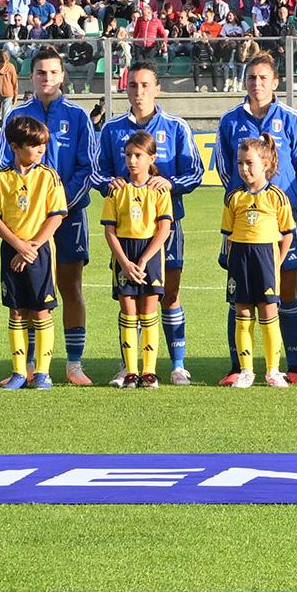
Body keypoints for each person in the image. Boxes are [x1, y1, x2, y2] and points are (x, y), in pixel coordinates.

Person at [96, 59, 209, 386]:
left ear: (157, 89)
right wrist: (110, 183)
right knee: (128, 297)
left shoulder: (176, 127)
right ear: (126, 89)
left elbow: (197, 171)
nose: (139, 91)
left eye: (146, 85)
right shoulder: (112, 129)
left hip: (165, 227)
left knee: (169, 294)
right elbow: (96, 171)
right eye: (133, 85)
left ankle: (177, 364)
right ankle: (128, 365)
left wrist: (171, 183)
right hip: (127, 230)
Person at [211, 52, 297, 386]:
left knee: (287, 291)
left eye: (263, 77)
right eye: (251, 77)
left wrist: (282, 207)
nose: (257, 83)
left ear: (275, 81)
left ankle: (292, 366)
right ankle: (238, 366)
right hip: (243, 225)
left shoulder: (294, 119)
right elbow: (224, 167)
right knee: (239, 294)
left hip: (281, 221)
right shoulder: (230, 121)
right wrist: (244, 200)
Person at [11, 50, 100, 385]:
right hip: (27, 222)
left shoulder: (77, 117)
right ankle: (31, 365)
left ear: (62, 76)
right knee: (31, 290)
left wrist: (60, 207)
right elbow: (7, 168)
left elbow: (86, 167)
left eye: (52, 72)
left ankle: (74, 364)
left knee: (70, 285)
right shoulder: (17, 115)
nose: (46, 78)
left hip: (70, 215)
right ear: (31, 77)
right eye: (40, 73)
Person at [0, 112, 68, 388]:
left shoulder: (49, 177)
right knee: (17, 311)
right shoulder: (2, 179)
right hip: (12, 250)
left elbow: (56, 216)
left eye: (43, 146)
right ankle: (20, 372)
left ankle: (43, 373)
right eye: (34, 146)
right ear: (15, 146)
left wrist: (33, 246)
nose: (40, 150)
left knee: (42, 311)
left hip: (40, 252)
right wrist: (19, 245)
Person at [220, 136, 297, 387]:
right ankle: (246, 371)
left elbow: (287, 234)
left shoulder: (277, 196)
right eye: (240, 163)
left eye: (249, 163)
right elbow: (229, 236)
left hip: (266, 258)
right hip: (240, 259)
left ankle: (273, 371)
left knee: (268, 311)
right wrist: (233, 263)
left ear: (265, 163)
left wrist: (277, 262)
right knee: (242, 312)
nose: (244, 169)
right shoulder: (234, 198)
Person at [98, 130, 173, 390]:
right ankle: (130, 371)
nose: (132, 160)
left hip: (149, 254)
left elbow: (163, 229)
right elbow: (109, 230)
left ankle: (149, 372)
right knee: (128, 312)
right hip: (124, 254)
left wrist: (143, 261)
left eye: (138, 155)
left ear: (151, 158)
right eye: (128, 155)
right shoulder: (116, 190)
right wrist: (125, 262)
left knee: (149, 311)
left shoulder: (159, 190)